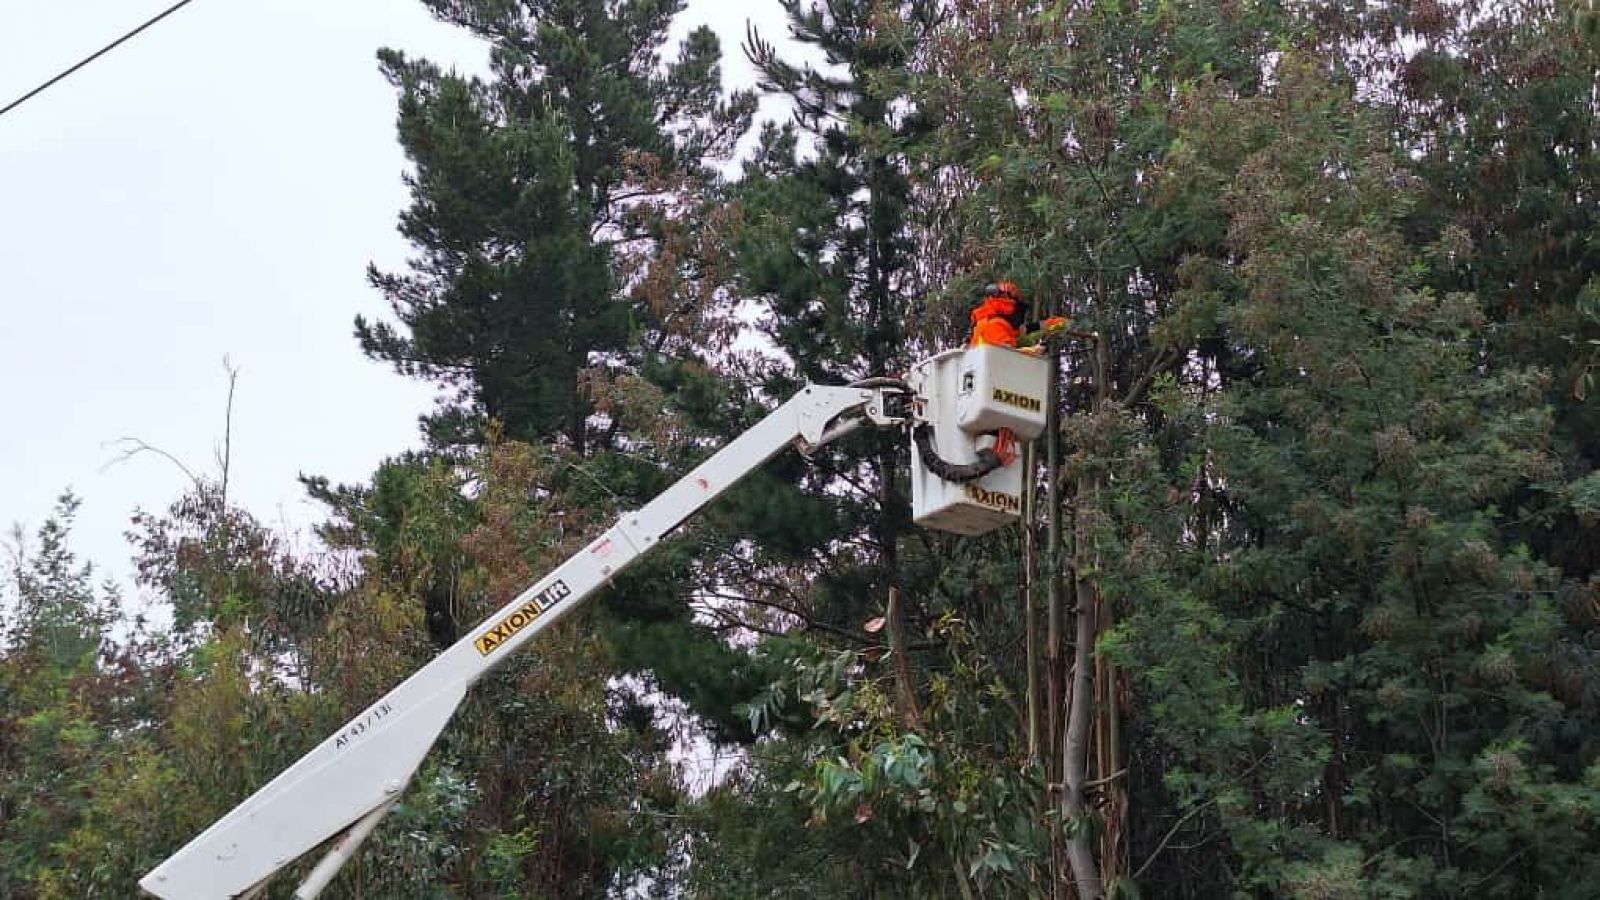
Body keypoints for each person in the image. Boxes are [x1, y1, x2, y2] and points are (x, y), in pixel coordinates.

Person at [969, 281, 1070, 353]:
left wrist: (1052, 324)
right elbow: (1005, 356)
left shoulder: (1004, 325)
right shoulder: (994, 325)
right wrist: (1031, 351)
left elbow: (1028, 331)